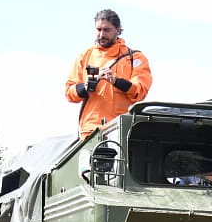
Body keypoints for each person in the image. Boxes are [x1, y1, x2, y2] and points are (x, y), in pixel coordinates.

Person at [65, 9, 153, 137]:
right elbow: (69, 92)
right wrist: (85, 87)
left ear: (118, 30)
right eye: (98, 29)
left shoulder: (135, 58)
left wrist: (115, 81)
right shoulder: (85, 56)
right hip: (90, 131)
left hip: (120, 129)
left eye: (106, 30)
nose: (101, 35)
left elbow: (140, 91)